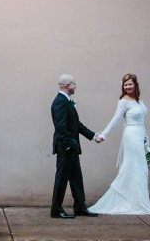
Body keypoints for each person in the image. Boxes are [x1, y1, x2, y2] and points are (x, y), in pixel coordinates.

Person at [89, 73, 150, 215]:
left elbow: (142, 123)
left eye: (130, 84)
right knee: (134, 167)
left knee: (141, 169)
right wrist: (104, 134)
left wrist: (146, 139)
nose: (127, 86)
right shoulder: (123, 101)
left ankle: (138, 201)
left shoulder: (140, 101)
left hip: (140, 136)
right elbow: (115, 120)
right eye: (125, 84)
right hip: (131, 136)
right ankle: (135, 203)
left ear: (135, 84)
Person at [50, 74, 101, 219]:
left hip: (72, 147)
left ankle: (80, 207)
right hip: (66, 147)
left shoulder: (66, 102)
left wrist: (93, 135)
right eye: (74, 84)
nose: (75, 86)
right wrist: (67, 145)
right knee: (62, 178)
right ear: (67, 86)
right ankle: (56, 209)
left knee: (76, 178)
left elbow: (76, 124)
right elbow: (60, 127)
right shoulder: (60, 102)